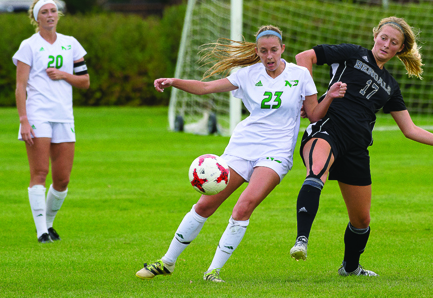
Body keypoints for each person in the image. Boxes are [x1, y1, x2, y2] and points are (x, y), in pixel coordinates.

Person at [136, 26, 347, 282]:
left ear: (283, 49)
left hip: (276, 153)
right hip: (243, 146)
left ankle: (213, 271)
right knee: (206, 204)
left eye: (273, 50)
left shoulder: (300, 74)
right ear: (257, 52)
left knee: (243, 207)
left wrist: (331, 96)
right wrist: (173, 82)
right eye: (263, 51)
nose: (269, 56)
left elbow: (314, 115)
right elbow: (205, 87)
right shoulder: (247, 75)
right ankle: (167, 262)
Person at [289, 17, 433, 276]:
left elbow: (410, 130)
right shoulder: (352, 53)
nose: (386, 44)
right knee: (316, 172)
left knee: (362, 220)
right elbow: (303, 57)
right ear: (375, 35)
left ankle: (351, 268)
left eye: (394, 42)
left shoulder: (390, 85)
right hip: (329, 129)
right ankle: (301, 241)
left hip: (356, 147)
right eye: (384, 37)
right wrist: (310, 101)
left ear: (400, 49)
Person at [13, 0, 90, 243]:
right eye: (44, 12)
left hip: (64, 116)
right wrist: (24, 119)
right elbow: (20, 86)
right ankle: (41, 231)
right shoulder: (29, 45)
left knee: (62, 179)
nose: (50, 15)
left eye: (53, 11)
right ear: (37, 18)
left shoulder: (71, 44)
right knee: (39, 172)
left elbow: (85, 82)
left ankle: (48, 224)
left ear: (58, 15)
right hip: (38, 115)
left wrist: (64, 75)